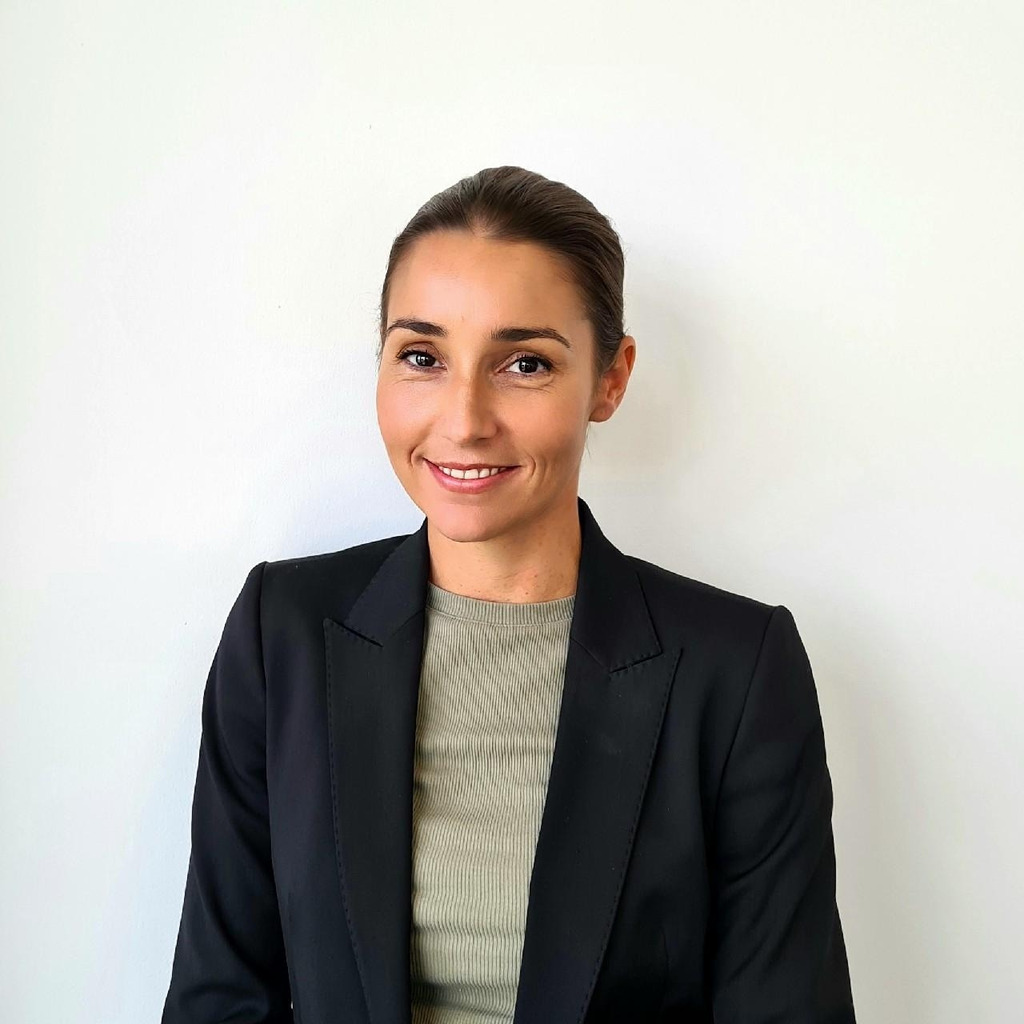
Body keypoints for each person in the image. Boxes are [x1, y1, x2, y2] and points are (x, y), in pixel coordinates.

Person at [162, 165, 856, 1023]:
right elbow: (220, 998)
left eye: (524, 363)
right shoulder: (284, 634)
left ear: (610, 379)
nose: (464, 420)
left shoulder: (736, 672)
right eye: (422, 356)